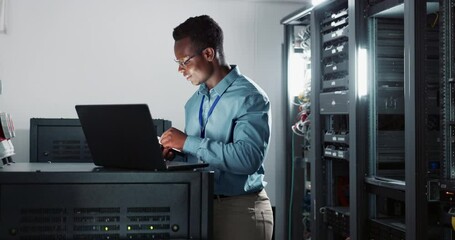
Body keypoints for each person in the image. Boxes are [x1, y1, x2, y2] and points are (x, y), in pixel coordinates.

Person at [159, 15, 274, 240]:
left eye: (185, 62)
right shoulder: (194, 103)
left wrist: (187, 142)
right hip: (200, 206)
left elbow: (248, 158)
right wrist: (175, 155)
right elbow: (200, 158)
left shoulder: (249, 97)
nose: (181, 70)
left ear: (209, 54)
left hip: (241, 210)